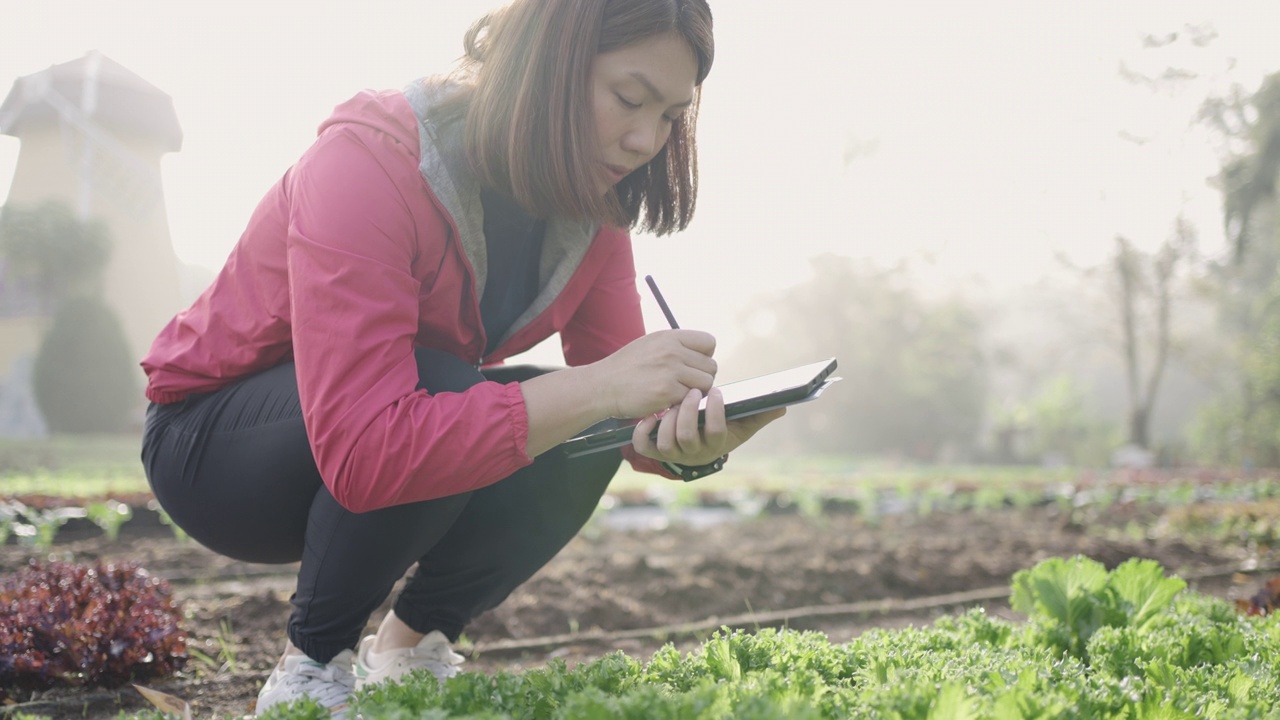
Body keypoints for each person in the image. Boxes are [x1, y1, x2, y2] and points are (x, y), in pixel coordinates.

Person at [140, 0, 783, 715]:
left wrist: (695, 441)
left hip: (379, 438)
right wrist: (601, 389)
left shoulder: (590, 209)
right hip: (217, 453)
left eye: (668, 115)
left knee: (580, 428)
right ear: (547, 62)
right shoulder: (370, 161)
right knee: (452, 387)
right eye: (629, 98)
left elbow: (626, 410)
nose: (644, 139)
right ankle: (310, 670)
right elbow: (365, 451)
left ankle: (411, 648)